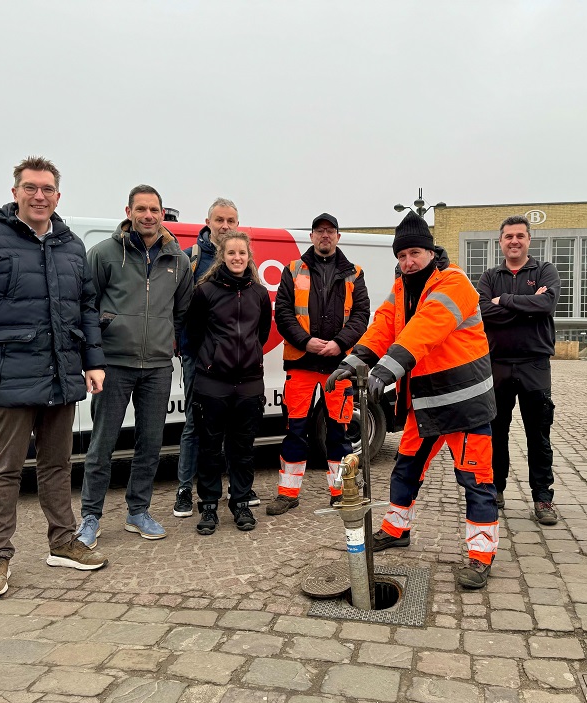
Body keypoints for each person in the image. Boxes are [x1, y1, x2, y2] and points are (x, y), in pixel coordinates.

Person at [0, 156, 108, 599]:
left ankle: (62, 542)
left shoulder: (72, 245)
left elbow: (86, 310)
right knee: (5, 471)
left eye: (48, 189)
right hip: (9, 375)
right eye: (31, 188)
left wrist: (93, 362)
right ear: (15, 190)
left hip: (60, 374)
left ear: (58, 195)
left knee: (58, 466)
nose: (40, 196)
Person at [327, 211, 498, 589]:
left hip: (464, 404)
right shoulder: (402, 287)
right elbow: (383, 325)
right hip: (426, 402)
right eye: (401, 256)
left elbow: (426, 328)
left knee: (475, 479)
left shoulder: (454, 283)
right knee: (405, 469)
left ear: (431, 251)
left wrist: (386, 370)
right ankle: (396, 529)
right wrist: (352, 362)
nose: (407, 262)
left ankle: (481, 554)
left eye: (414, 253)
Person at [75, 185, 193, 549]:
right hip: (114, 363)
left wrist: (169, 341)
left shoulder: (179, 261)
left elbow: (183, 311)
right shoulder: (104, 254)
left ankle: (137, 511)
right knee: (102, 443)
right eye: (140, 209)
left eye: (153, 209)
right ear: (128, 211)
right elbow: (86, 307)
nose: (147, 215)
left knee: (150, 444)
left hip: (157, 366)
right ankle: (90, 516)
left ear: (162, 213)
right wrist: (93, 355)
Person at [267, 213, 370, 516]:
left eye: (330, 231)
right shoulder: (292, 269)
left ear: (338, 237)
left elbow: (362, 315)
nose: (325, 236)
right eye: (319, 231)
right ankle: (288, 493)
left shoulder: (355, 273)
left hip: (339, 366)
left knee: (339, 432)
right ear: (311, 236)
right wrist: (305, 341)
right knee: (295, 429)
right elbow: (283, 312)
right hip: (301, 362)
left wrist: (339, 343)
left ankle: (341, 492)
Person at [185, 231, 272, 535]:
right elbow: (193, 335)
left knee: (243, 448)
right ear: (222, 255)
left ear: (250, 257)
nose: (237, 258)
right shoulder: (205, 292)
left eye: (242, 253)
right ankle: (208, 506)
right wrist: (213, 360)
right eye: (231, 253)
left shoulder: (260, 294)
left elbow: (261, 335)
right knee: (209, 448)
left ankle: (240, 502)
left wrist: (245, 359)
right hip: (212, 383)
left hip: (248, 383)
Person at [477, 215, 561, 526]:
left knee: (537, 435)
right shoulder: (489, 276)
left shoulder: (544, 271)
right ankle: (495, 490)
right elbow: (484, 312)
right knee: (495, 433)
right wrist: (526, 305)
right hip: (496, 365)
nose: (514, 241)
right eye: (509, 236)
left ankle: (542, 498)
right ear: (501, 241)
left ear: (528, 240)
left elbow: (547, 306)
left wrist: (507, 301)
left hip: (534, 364)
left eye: (520, 236)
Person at [174, 198, 255, 517]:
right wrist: (190, 350)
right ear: (207, 222)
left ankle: (240, 489)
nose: (225, 226)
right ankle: (184, 488)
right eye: (219, 219)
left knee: (237, 428)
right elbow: (181, 311)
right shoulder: (190, 259)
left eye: (231, 220)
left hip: (238, 364)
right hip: (201, 361)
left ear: (238, 224)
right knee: (196, 424)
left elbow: (258, 315)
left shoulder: (248, 263)